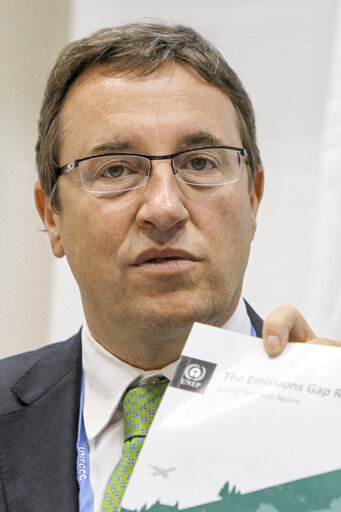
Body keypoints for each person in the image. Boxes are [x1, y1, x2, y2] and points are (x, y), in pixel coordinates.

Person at [0, 22, 326, 512]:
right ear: (52, 217)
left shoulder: (328, 425)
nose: (164, 207)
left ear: (253, 199)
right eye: (115, 169)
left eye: (199, 163)